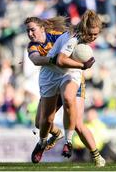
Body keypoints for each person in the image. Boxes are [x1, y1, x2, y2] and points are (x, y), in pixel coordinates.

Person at [24, 10, 105, 167]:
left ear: (42, 28)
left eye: (32, 29)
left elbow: (70, 51)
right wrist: (77, 63)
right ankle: (51, 137)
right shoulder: (33, 46)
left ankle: (96, 156)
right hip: (51, 76)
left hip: (71, 74)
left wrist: (80, 66)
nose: (30, 33)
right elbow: (37, 60)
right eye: (28, 30)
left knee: (77, 120)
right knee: (42, 122)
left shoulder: (58, 34)